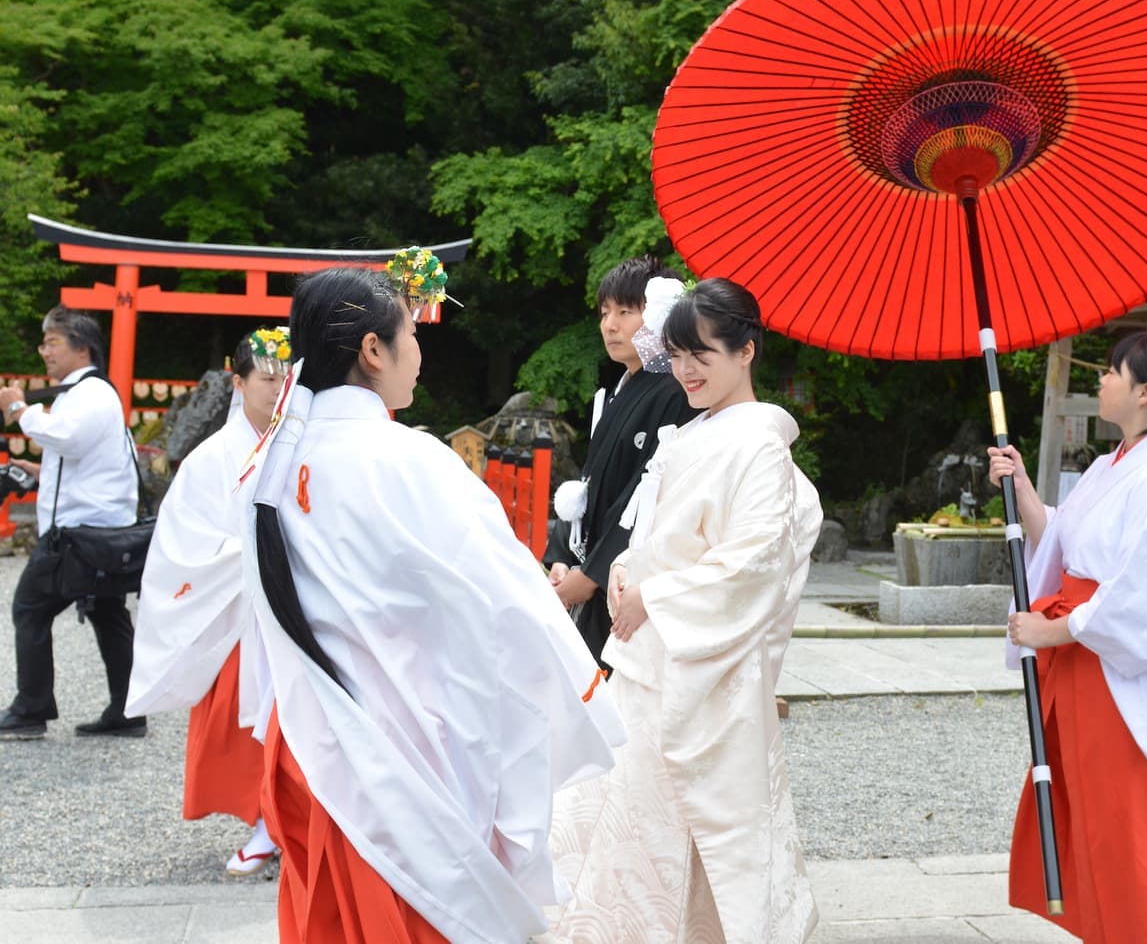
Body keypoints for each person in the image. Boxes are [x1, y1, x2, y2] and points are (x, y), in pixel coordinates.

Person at [240, 267, 624, 942]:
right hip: (403, 746)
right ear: (372, 350)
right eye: (412, 334)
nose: (418, 352)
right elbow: (506, 607)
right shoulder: (410, 460)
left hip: (310, 736)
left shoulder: (267, 467)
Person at [542, 278, 823, 943]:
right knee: (635, 816)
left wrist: (655, 594)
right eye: (679, 354)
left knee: (694, 823)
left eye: (704, 354)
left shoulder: (758, 443)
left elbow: (753, 560)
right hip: (656, 654)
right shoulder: (698, 431)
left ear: (747, 351)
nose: (688, 370)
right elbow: (656, 532)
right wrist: (623, 572)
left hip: (702, 663)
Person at [989, 331, 1147, 943]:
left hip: (1124, 670)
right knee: (1097, 825)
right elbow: (1069, 543)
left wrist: (1055, 628)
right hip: (1089, 663)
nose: (1102, 380)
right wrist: (1020, 487)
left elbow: (1145, 594)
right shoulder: (1111, 464)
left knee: (1138, 831)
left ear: (1144, 392)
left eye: (1112, 372)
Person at [126, 330, 292, 876]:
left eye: (286, 376)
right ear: (238, 382)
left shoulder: (306, 442)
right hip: (240, 615)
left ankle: (296, 825)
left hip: (299, 609)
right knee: (245, 725)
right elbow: (184, 543)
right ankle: (266, 824)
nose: (277, 387)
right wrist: (254, 553)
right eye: (266, 377)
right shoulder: (210, 458)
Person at [545, 255, 698, 666]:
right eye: (604, 312)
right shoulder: (620, 387)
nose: (609, 325)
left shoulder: (674, 391)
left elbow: (645, 491)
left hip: (625, 579)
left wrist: (590, 576)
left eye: (625, 312)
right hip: (592, 569)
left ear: (661, 314)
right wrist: (563, 555)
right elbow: (590, 484)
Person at [0, 307, 144, 740]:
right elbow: (88, 460)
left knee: (29, 607)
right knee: (108, 614)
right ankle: (129, 710)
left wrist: (19, 408)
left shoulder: (90, 393)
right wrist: (43, 472)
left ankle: (31, 709)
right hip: (101, 532)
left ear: (82, 347)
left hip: (78, 536)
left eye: (52, 342)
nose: (44, 351)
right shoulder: (90, 394)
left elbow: (66, 438)